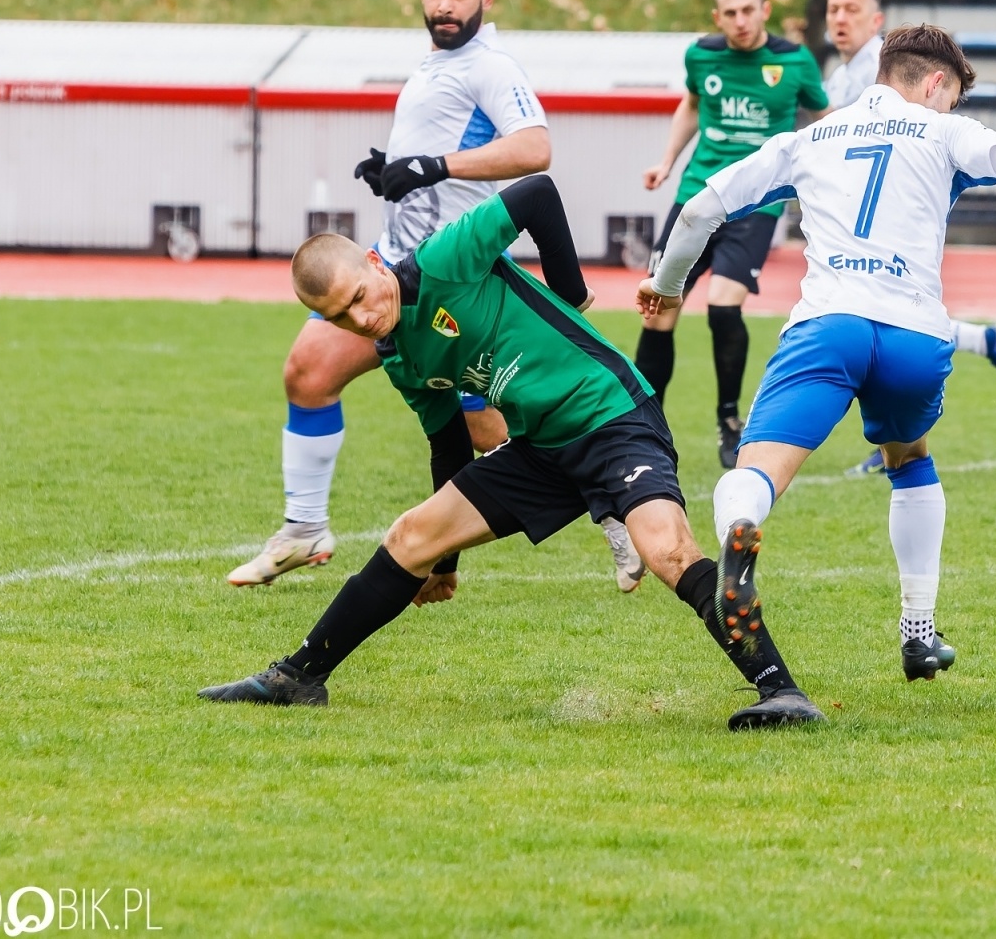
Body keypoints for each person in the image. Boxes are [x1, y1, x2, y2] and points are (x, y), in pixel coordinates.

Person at [638, 24, 996, 681]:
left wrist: (667, 286)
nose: (951, 109)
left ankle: (741, 534)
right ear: (934, 83)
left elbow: (701, 209)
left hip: (829, 326)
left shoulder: (807, 140)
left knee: (758, 470)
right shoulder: (941, 133)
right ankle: (918, 635)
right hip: (914, 338)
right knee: (910, 459)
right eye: (951, 96)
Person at [202, 176, 825, 730]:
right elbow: (446, 443)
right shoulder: (401, 356)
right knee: (411, 536)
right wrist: (443, 562)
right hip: (540, 448)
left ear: (374, 261)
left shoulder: (444, 259)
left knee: (666, 551)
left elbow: (537, 193)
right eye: (341, 318)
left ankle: (781, 691)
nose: (363, 318)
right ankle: (298, 677)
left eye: (361, 296)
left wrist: (572, 293)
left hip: (611, 415)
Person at [227, 0, 645, 594]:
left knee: (492, 431)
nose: (444, 5)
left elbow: (535, 150)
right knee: (309, 372)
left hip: (453, 281)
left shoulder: (489, 66)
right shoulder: (438, 65)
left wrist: (433, 167)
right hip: (391, 269)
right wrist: (397, 171)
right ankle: (306, 526)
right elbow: (437, 160)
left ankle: (610, 497)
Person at [822, 0, 996, 479]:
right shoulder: (840, 71)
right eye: (832, 9)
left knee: (871, 310)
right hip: (863, 221)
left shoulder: (876, 75)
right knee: (878, 310)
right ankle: (989, 341)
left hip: (885, 219)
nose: (838, 19)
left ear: (876, 22)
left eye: (851, 9)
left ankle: (892, 437)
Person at [635, 0, 830, 469]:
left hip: (755, 204)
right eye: (730, 13)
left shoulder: (793, 61)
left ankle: (728, 420)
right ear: (717, 17)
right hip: (695, 198)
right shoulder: (701, 55)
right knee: (659, 309)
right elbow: (692, 105)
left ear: (765, 11)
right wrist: (666, 161)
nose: (740, 21)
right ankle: (643, 424)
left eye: (749, 10)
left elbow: (823, 120)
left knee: (724, 306)